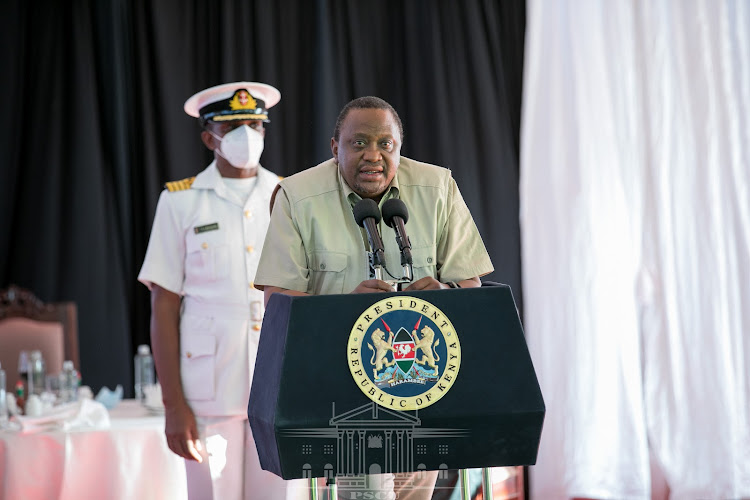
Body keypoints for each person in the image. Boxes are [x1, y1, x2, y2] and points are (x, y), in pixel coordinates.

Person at [254, 96, 494, 499]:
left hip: (423, 389)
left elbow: (471, 286)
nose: (374, 155)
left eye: (386, 144)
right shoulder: (297, 197)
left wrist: (446, 295)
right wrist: (343, 309)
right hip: (343, 396)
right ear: (335, 147)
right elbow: (278, 303)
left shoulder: (437, 188)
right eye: (359, 142)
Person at [138, 81, 305, 499]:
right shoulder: (180, 201)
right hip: (208, 391)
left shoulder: (290, 197)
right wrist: (174, 406)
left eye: (255, 124)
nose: (246, 135)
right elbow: (163, 305)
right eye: (232, 127)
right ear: (209, 136)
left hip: (280, 382)